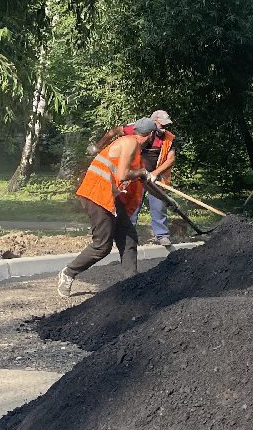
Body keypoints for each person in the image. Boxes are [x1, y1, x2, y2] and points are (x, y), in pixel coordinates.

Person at [57, 117, 155, 297]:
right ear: (150, 135)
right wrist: (142, 173)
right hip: (96, 195)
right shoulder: (130, 144)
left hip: (107, 194)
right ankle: (68, 273)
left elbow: (118, 174)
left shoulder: (129, 143)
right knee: (102, 246)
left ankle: (131, 281)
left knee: (128, 235)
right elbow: (123, 174)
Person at [139, 109, 177, 246]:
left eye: (166, 124)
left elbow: (170, 160)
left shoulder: (169, 138)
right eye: (162, 124)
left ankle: (161, 236)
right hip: (137, 175)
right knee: (132, 206)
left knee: (159, 205)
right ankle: (126, 236)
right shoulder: (141, 133)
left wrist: (155, 174)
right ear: (153, 122)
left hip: (156, 177)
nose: (164, 127)